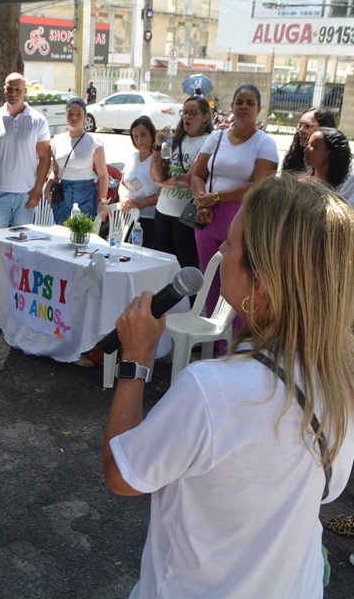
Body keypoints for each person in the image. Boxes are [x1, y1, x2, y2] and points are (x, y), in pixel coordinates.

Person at [103, 175, 354, 599]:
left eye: (232, 246)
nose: (221, 249)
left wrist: (135, 360)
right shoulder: (339, 377)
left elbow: (123, 475)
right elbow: (328, 489)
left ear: (262, 285)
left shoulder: (212, 392)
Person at [191, 83, 278, 323]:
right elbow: (197, 174)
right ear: (231, 107)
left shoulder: (265, 143)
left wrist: (217, 197)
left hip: (242, 218)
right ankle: (211, 336)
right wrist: (202, 202)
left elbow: (260, 185)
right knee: (210, 279)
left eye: (250, 103)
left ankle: (237, 341)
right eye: (239, 102)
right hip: (207, 216)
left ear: (259, 109)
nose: (243, 107)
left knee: (240, 281)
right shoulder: (216, 137)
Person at [0, 72, 50, 229]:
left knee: (21, 247)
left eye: (18, 90)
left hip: (26, 196)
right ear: (4, 90)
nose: (13, 94)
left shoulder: (38, 120)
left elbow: (45, 157)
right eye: (10, 89)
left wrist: (38, 190)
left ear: (25, 91)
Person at [151, 95, 213, 268]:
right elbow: (157, 173)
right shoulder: (175, 139)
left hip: (185, 217)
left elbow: (188, 181)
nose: (187, 117)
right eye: (184, 113)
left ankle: (189, 297)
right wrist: (157, 146)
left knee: (186, 265)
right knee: (164, 266)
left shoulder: (208, 141)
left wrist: (161, 182)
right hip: (162, 212)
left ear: (206, 117)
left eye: (193, 113)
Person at [46, 98, 108, 225]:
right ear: (65, 116)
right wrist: (47, 188)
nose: (74, 117)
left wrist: (102, 201)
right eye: (70, 114)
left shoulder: (94, 142)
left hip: (85, 195)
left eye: (78, 114)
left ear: (85, 117)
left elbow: (103, 175)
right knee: (61, 234)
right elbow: (55, 171)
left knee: (82, 235)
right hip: (61, 196)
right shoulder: (56, 141)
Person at [117, 116, 160, 249]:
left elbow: (162, 194)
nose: (139, 140)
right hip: (128, 216)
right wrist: (123, 198)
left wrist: (139, 203)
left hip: (149, 218)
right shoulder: (132, 157)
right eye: (135, 136)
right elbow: (123, 183)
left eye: (143, 135)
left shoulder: (158, 159)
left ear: (152, 134)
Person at [282, 107, 336, 174]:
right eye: (300, 125)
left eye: (307, 126)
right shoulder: (294, 157)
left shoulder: (336, 164)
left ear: (324, 129)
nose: (301, 130)